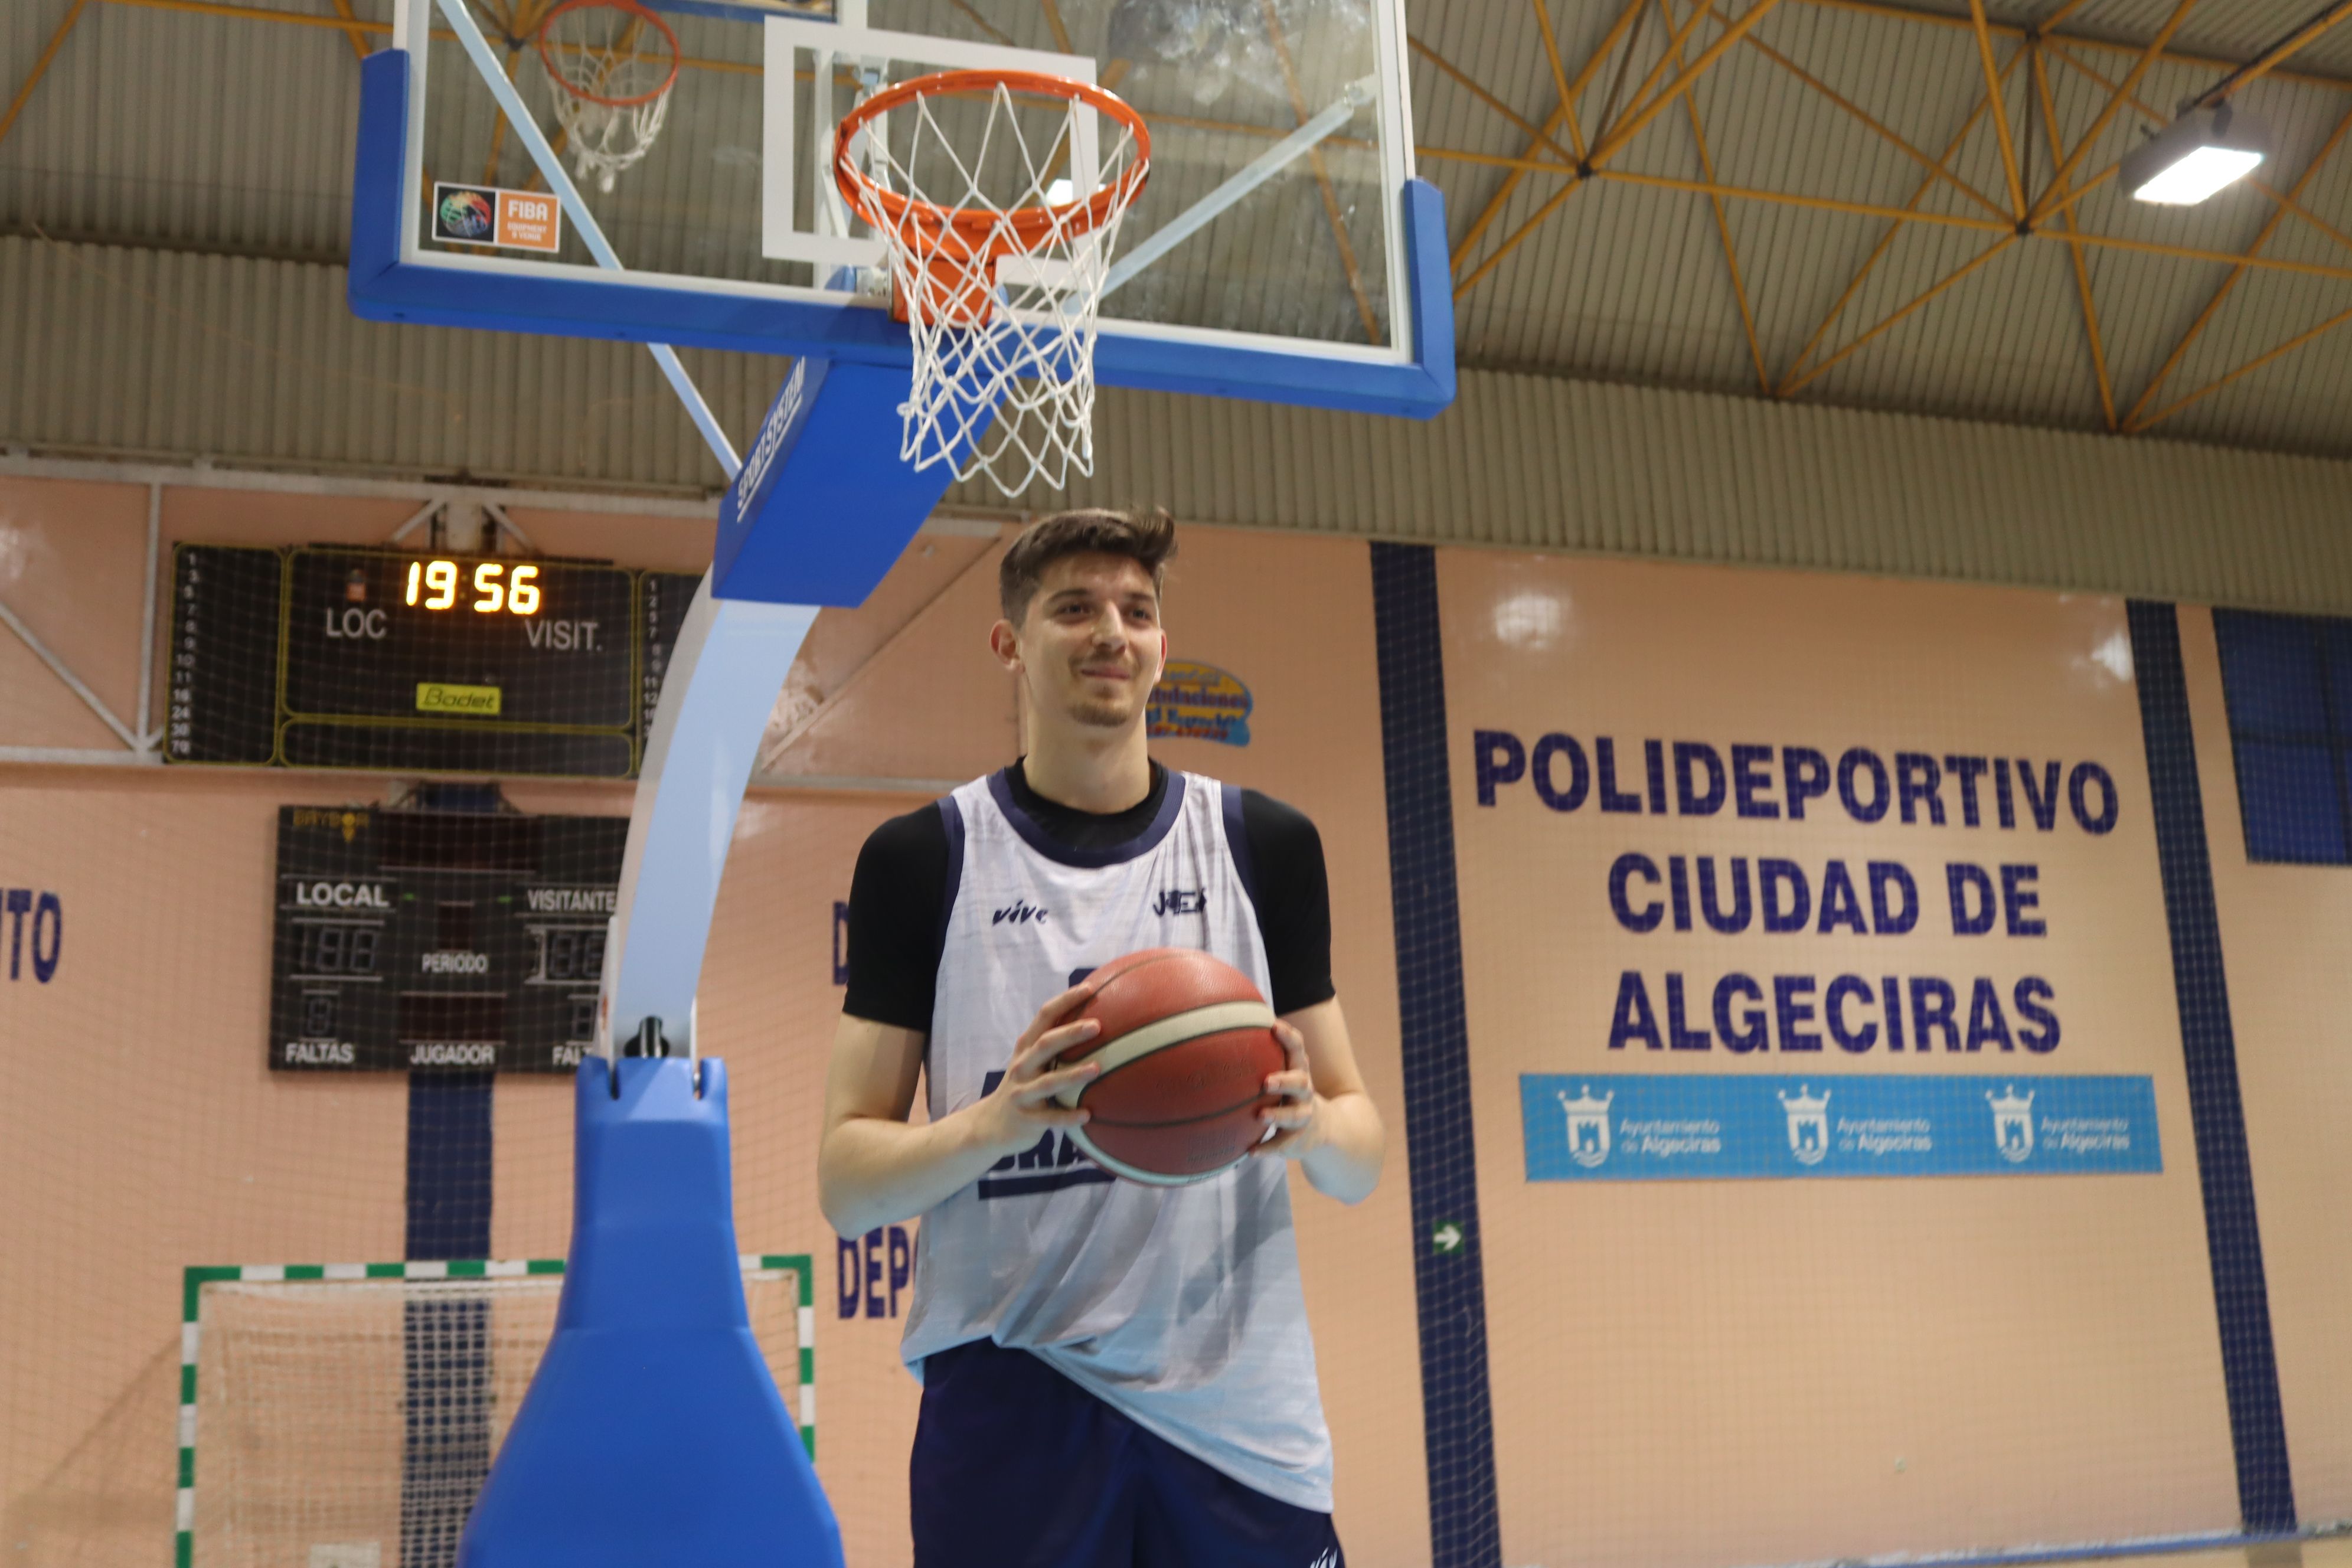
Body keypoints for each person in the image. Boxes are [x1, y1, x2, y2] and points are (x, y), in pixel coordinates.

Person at [819, 507, 1386, 1568]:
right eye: (1072, 608)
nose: (1110, 633)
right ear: (1010, 644)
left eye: (1136, 610)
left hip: (1239, 1413)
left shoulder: (1266, 845)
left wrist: (1311, 1129)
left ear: (1164, 646)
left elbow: (1361, 1157)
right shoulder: (922, 860)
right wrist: (993, 1122)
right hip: (1013, 1396)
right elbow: (849, 1186)